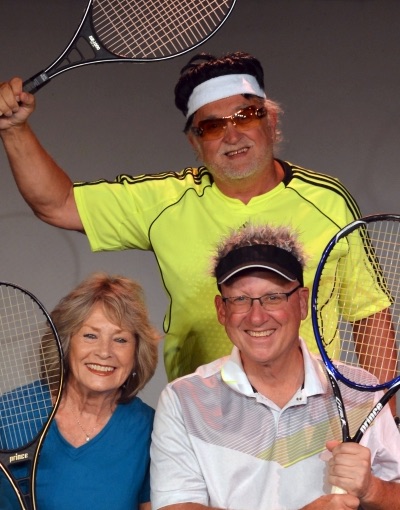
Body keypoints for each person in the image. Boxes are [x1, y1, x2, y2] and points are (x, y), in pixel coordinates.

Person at [0, 52, 396, 391]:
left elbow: (370, 316)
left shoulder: (326, 200)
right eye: (211, 125)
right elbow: (58, 203)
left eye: (246, 115)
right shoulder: (166, 202)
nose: (232, 134)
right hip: (204, 428)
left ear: (272, 122)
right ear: (194, 141)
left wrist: (382, 428)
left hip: (314, 425)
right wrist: (15, 130)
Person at [150, 224, 400, 510]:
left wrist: (372, 488)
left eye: (273, 297)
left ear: (303, 303)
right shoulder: (183, 399)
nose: (257, 318)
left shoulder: (360, 390)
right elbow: (176, 507)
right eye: (240, 299)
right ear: (222, 310)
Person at [0, 272, 160, 510]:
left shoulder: (150, 428)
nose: (104, 352)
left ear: (137, 352)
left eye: (121, 340)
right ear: (66, 343)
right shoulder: (9, 413)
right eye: (90, 335)